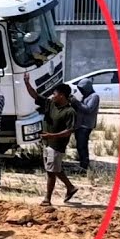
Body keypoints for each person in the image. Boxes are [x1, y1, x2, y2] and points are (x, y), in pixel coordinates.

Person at [25, 76, 78, 205]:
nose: (52, 96)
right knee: (54, 168)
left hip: (57, 145)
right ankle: (70, 187)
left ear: (62, 95)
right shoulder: (51, 104)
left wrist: (52, 135)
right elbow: (35, 96)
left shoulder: (70, 112)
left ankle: (47, 199)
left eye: (54, 94)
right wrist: (27, 83)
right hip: (47, 143)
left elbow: (69, 131)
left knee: (51, 172)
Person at [70, 77, 101, 172]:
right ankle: (82, 164)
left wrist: (76, 102)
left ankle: (84, 166)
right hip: (80, 125)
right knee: (80, 146)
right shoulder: (86, 96)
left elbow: (88, 109)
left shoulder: (94, 96)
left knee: (82, 146)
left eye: (82, 89)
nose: (81, 91)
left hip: (86, 126)